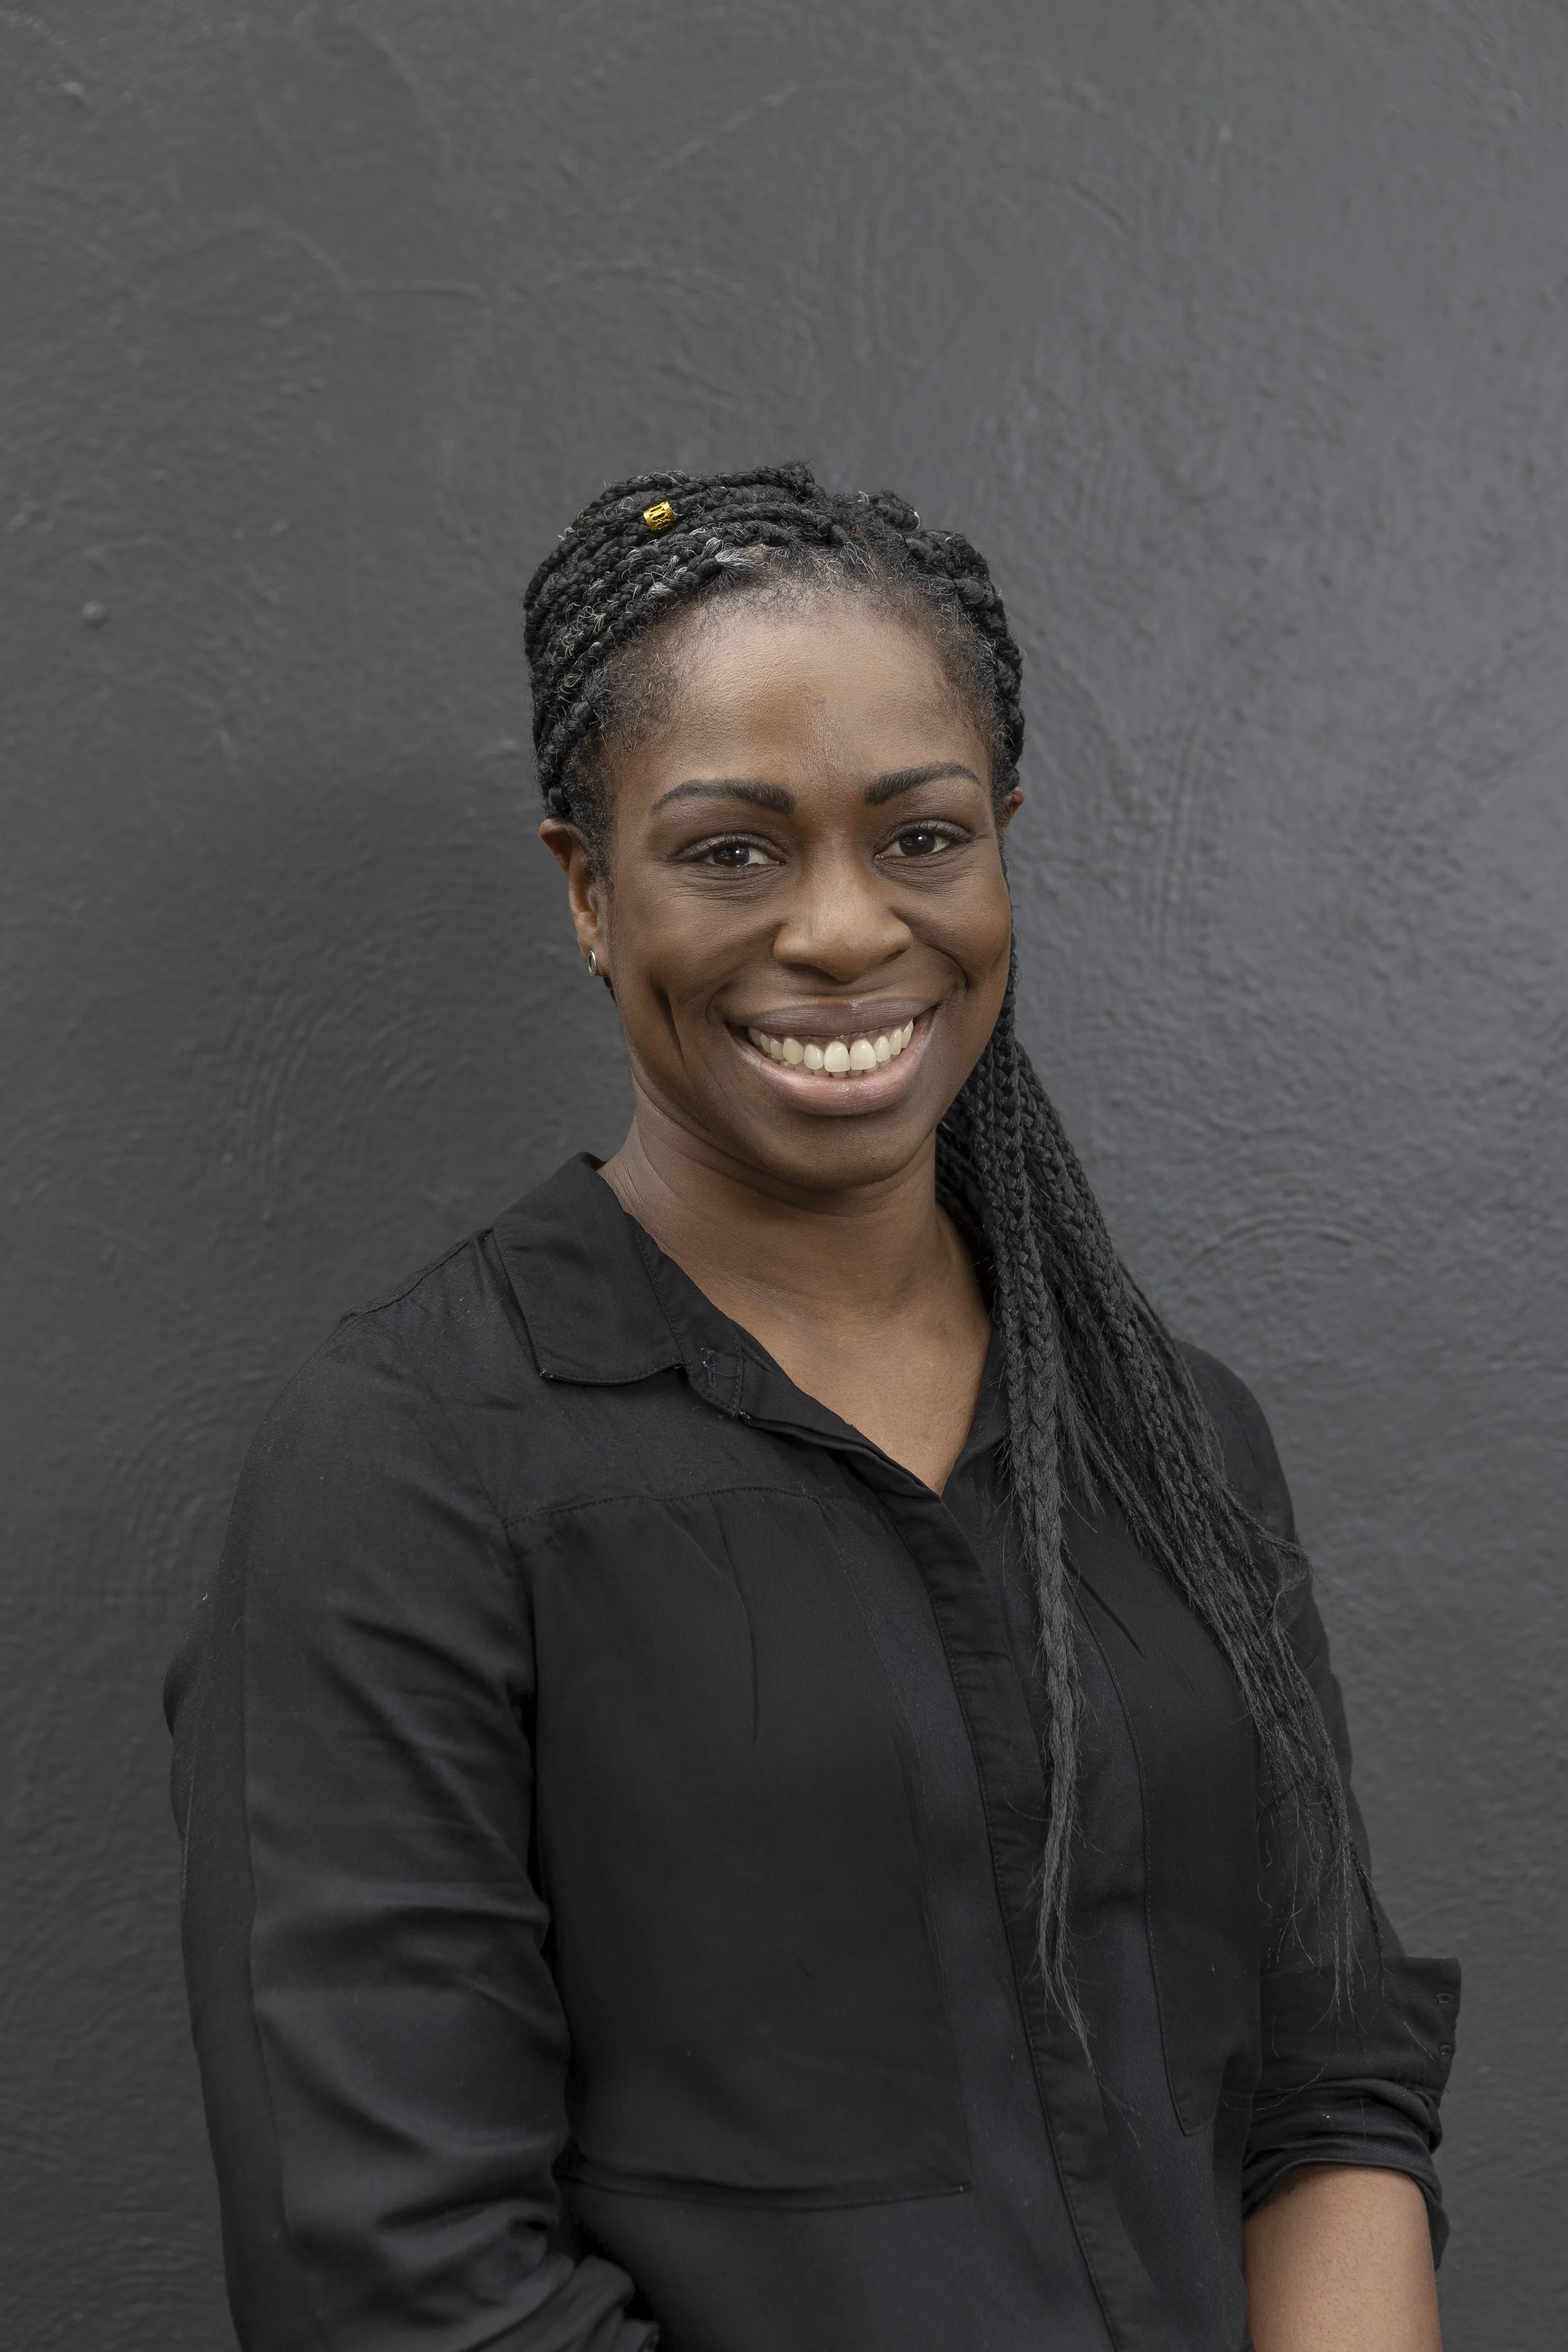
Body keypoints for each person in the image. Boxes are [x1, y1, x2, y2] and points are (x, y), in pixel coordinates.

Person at [167, 464, 1459, 2352]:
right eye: (733, 850)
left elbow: (1329, 2084)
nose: (846, 929)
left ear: (998, 843)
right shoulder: (412, 1466)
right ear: (588, 889)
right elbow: (398, 2279)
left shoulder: (1172, 1437)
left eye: (919, 837)